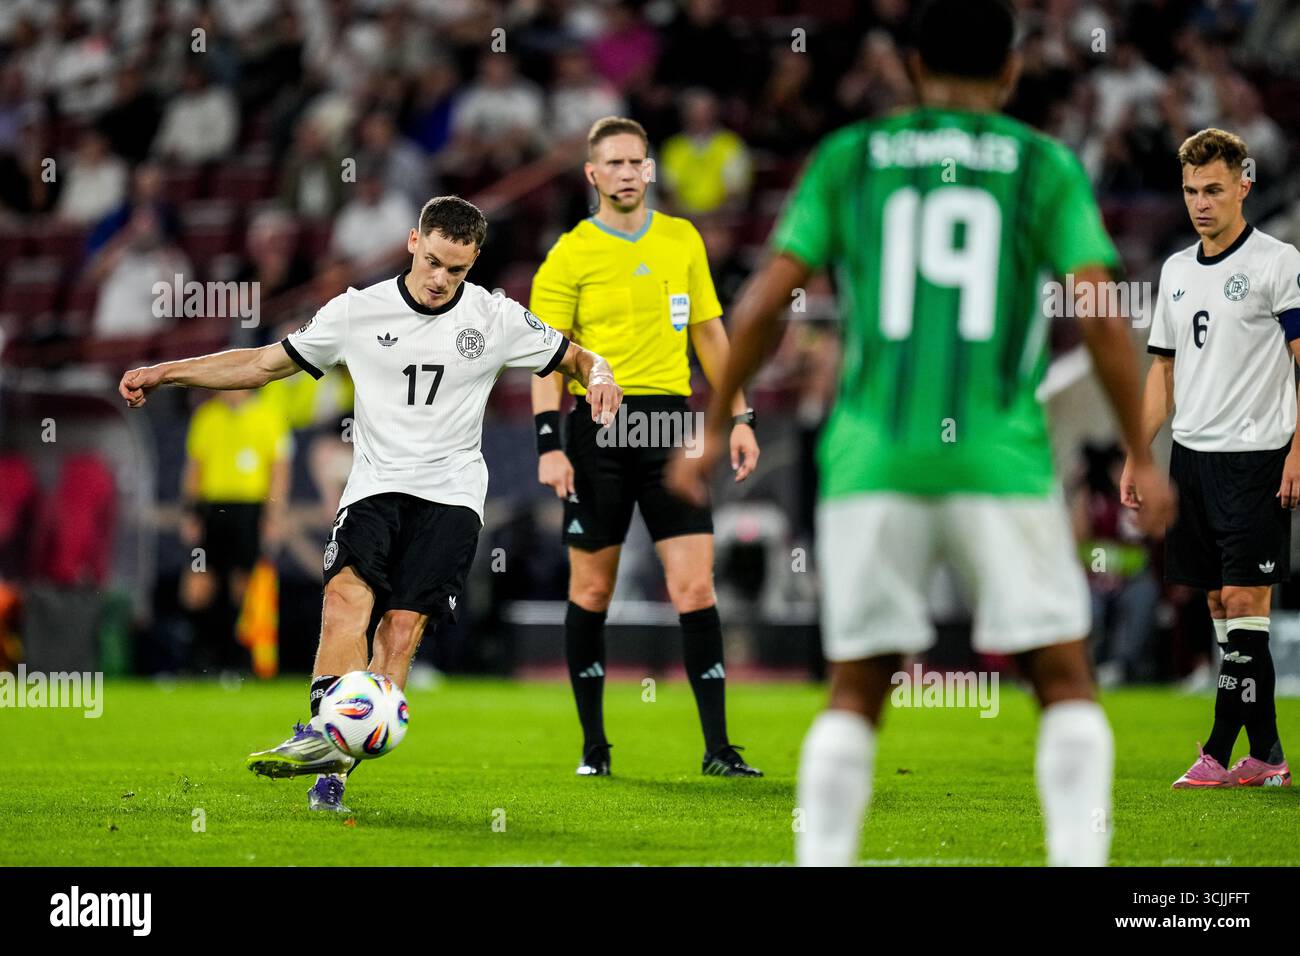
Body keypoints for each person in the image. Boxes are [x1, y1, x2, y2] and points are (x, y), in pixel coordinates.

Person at [669, 0, 1174, 866]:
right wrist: (1138, 451)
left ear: (906, 65)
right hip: (1000, 462)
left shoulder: (850, 157)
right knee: (1061, 679)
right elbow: (1098, 316)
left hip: (871, 457)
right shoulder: (1041, 164)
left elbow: (759, 305)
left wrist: (713, 429)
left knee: (858, 686)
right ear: (1012, 71)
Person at [119, 196, 623, 813]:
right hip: (374, 487)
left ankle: (339, 767)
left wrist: (599, 374)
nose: (442, 280)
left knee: (401, 630)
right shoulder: (358, 311)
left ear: (474, 263)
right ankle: (322, 739)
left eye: (457, 270)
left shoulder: (495, 318)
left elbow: (575, 357)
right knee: (342, 602)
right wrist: (167, 371)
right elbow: (259, 364)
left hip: (451, 495)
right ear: (413, 241)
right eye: (434, 261)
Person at [530, 116, 763, 777]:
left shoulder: (683, 240)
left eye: (638, 162)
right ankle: (594, 749)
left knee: (694, 587)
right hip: (598, 429)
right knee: (593, 592)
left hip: (669, 427)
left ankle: (719, 748)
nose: (628, 173)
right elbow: (545, 359)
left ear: (651, 170)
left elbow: (712, 337)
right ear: (593, 175)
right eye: (615, 164)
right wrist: (549, 445)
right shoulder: (569, 253)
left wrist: (740, 415)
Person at [1122, 127, 1296, 789]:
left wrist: (1297, 453)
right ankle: (1269, 754)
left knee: (1242, 597)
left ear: (1244, 184)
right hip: (1192, 458)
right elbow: (1162, 373)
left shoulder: (1279, 262)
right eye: (1191, 190)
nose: (1201, 202)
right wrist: (1138, 455)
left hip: (1256, 456)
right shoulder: (1175, 270)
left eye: (1214, 189)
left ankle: (1220, 751)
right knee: (1224, 613)